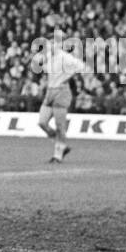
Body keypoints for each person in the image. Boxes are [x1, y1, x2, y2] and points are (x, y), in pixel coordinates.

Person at [33, 34, 85, 163]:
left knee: (59, 125)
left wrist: (68, 76)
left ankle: (58, 155)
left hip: (62, 92)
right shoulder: (49, 57)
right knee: (42, 122)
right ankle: (62, 146)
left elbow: (81, 66)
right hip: (50, 91)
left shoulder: (65, 57)